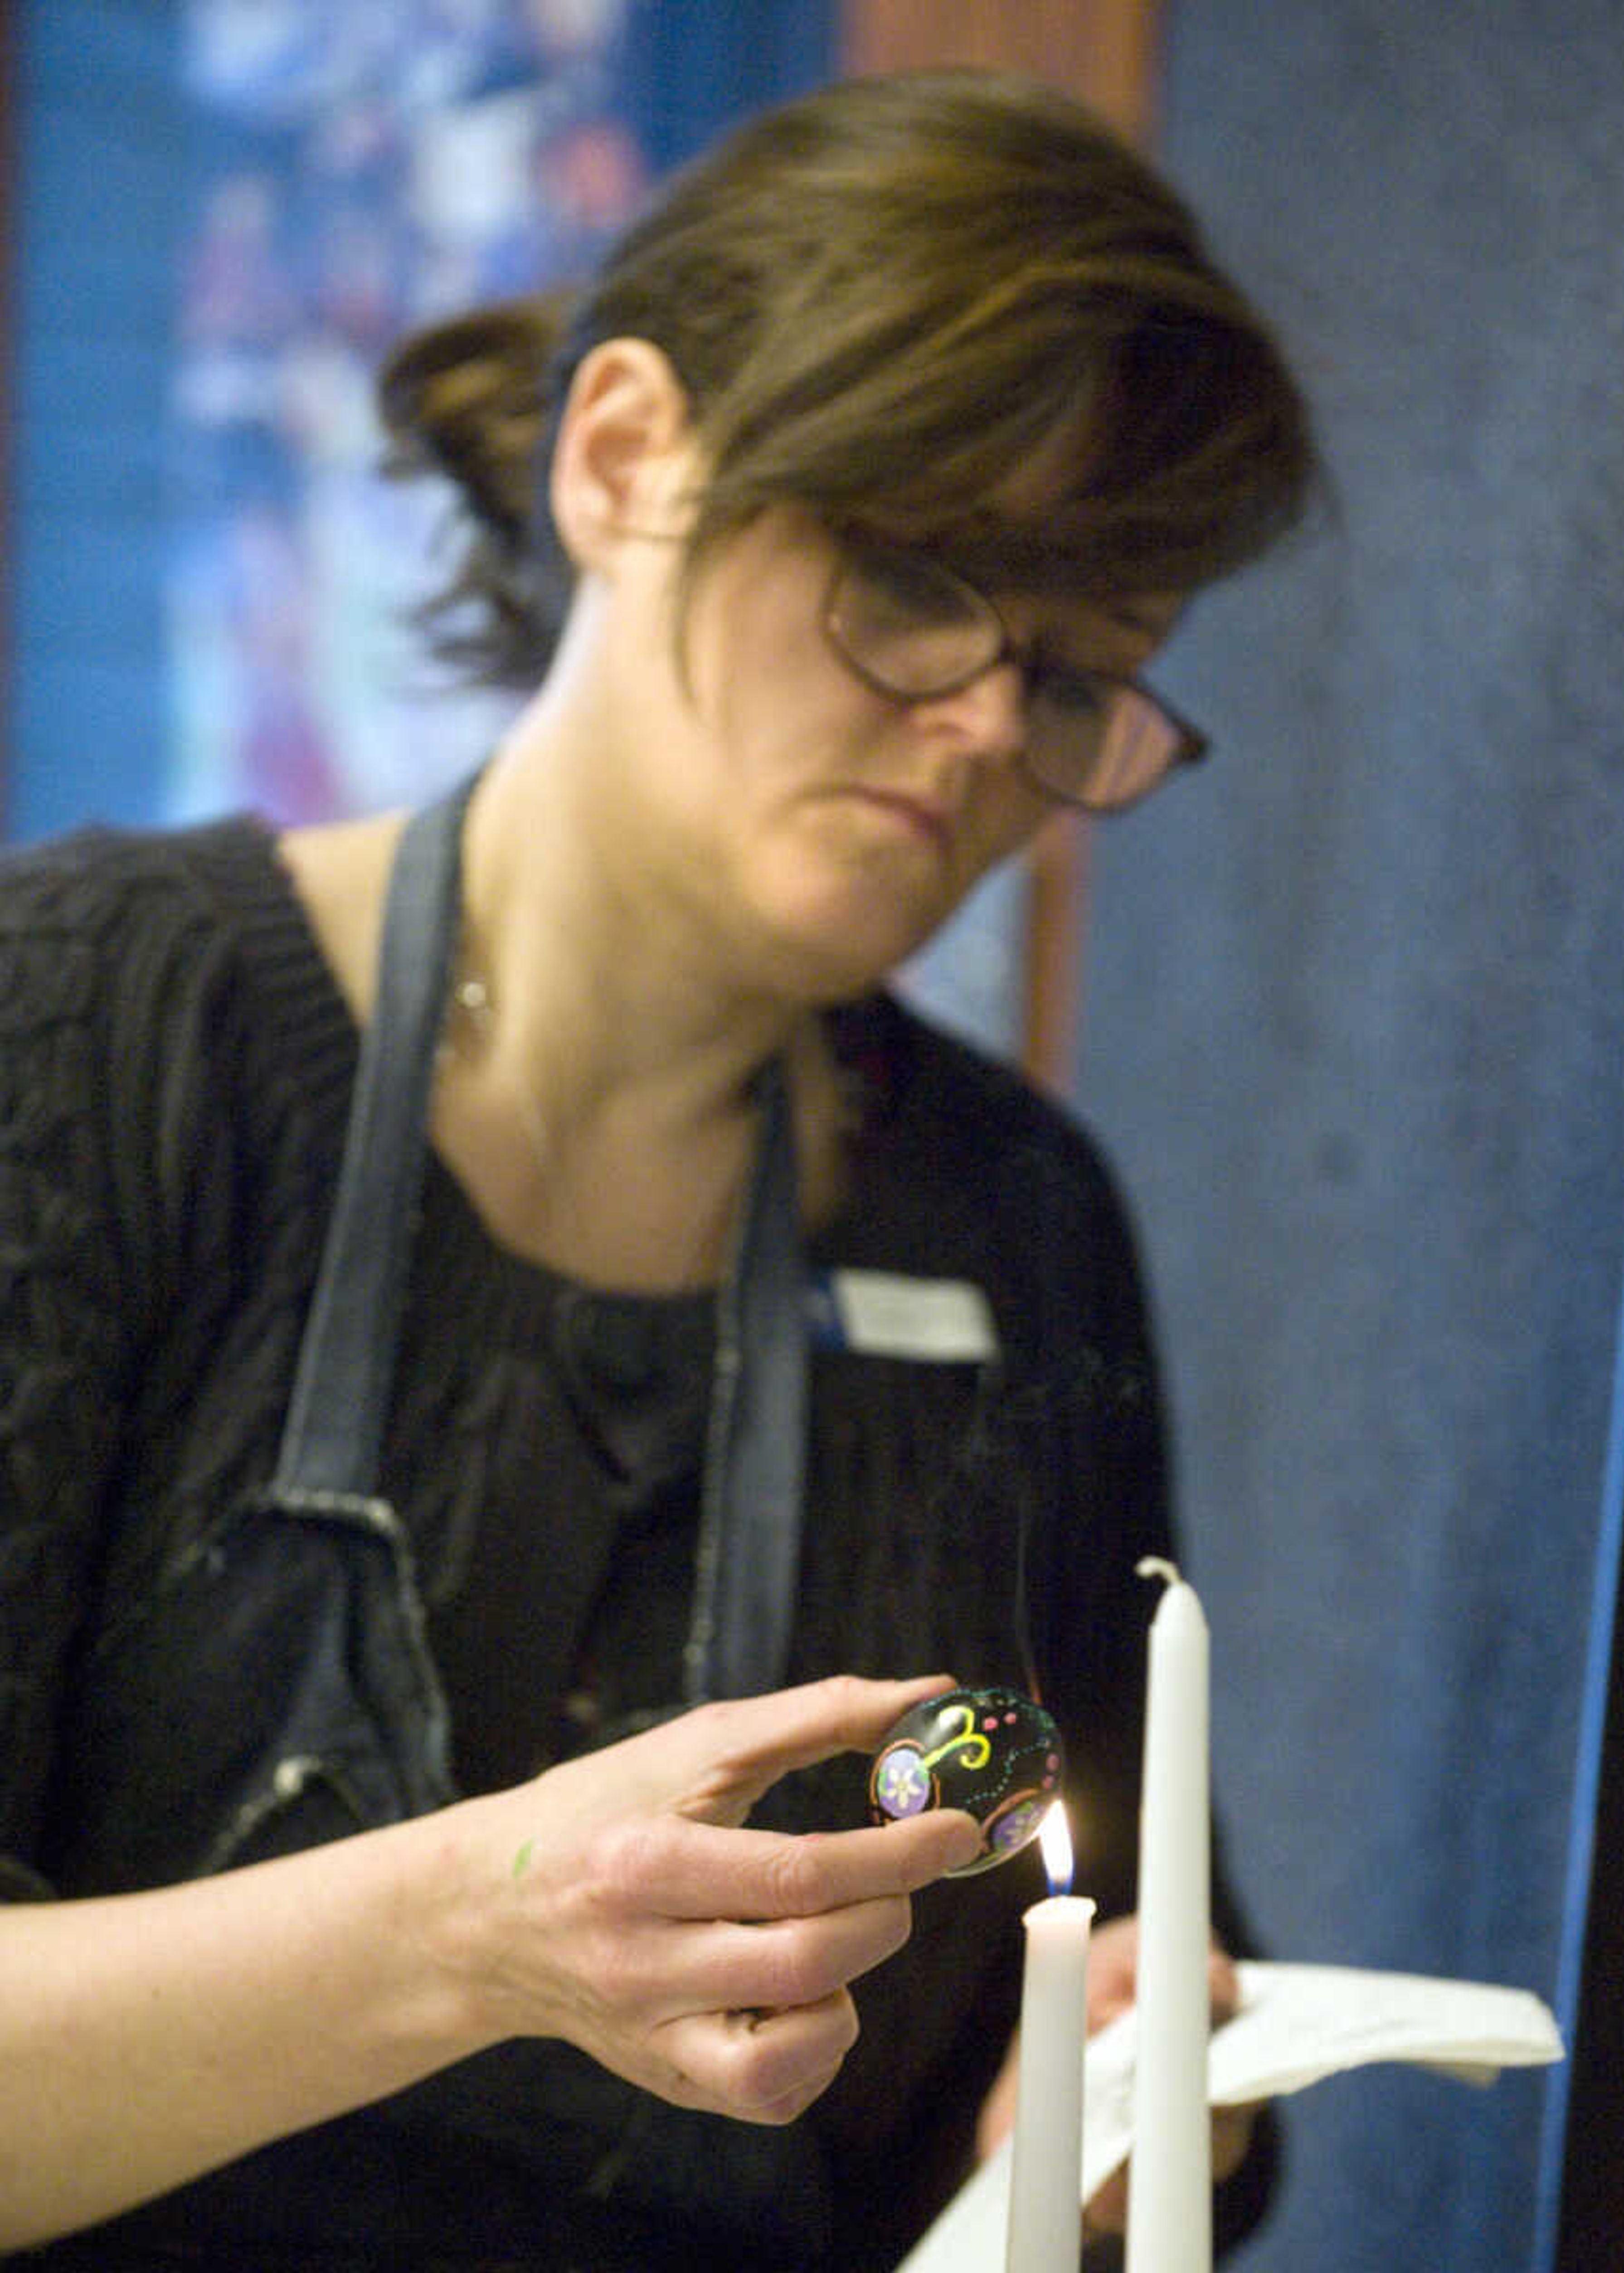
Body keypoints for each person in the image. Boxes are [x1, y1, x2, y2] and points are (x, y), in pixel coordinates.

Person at [0, 65, 1311, 2273]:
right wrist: (484, 1931)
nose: (994, 732)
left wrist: (1128, 2098)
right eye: (916, 582)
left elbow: (1090, 1917)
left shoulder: (1013, 1228)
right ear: (626, 458)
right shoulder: (93, 1029)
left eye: (1084, 679)